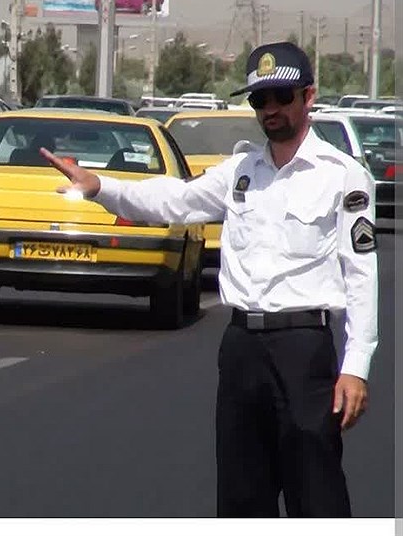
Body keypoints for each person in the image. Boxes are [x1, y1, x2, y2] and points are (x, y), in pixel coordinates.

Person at [40, 41, 377, 518]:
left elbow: (361, 274)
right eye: (259, 101)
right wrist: (99, 187)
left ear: (309, 97)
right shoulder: (240, 171)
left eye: (281, 97)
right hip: (242, 348)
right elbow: (174, 200)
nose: (270, 110)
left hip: (304, 348)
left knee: (316, 492)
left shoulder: (343, 176)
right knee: (241, 495)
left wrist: (356, 365)